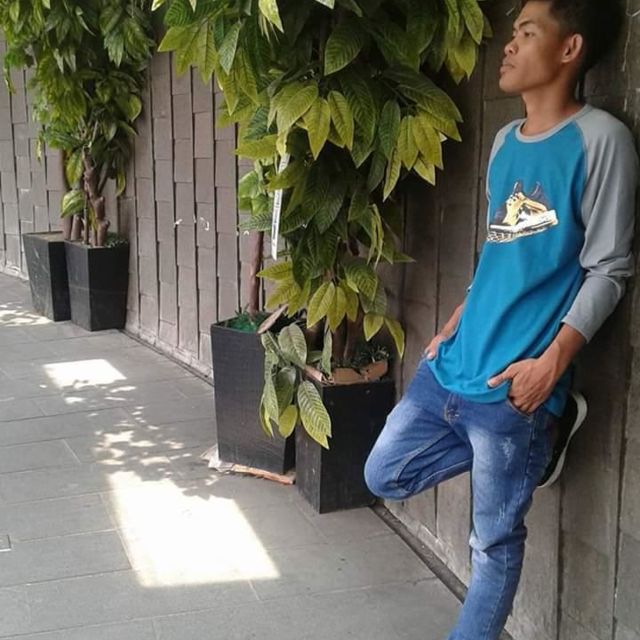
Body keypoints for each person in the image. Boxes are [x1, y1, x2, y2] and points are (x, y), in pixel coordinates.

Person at [364, 1, 639, 638]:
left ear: (569, 49)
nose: (508, 46)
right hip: (453, 363)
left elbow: (608, 270)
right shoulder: (503, 142)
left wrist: (551, 367)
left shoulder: (601, 141)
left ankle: (538, 433)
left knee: (491, 542)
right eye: (512, 33)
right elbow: (500, 248)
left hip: (516, 386)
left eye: (526, 32)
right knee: (383, 473)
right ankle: (537, 452)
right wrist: (456, 319)